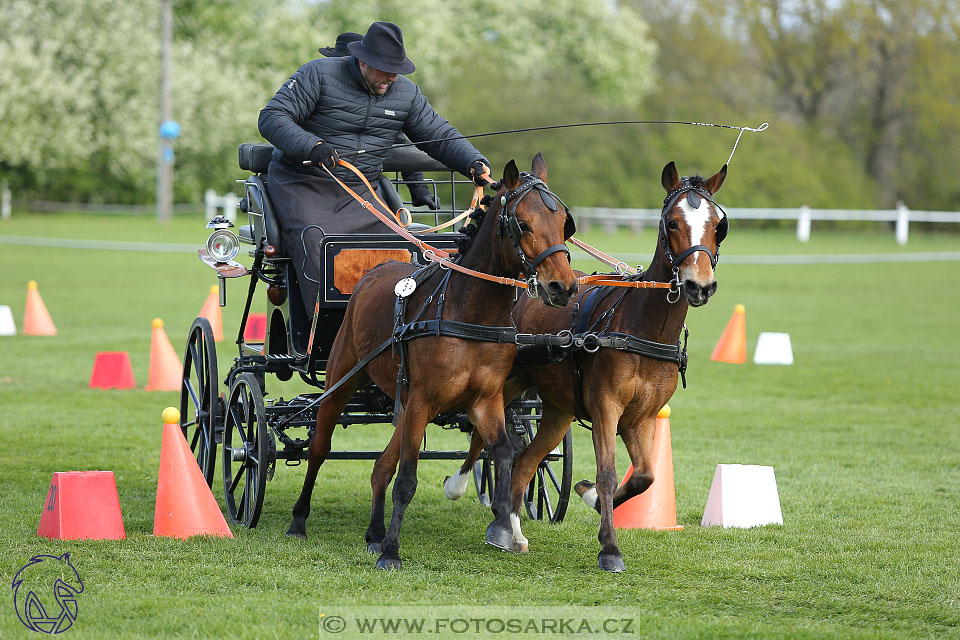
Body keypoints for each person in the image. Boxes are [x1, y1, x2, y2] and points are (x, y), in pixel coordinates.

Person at [258, 21, 490, 320]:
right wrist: (312, 146)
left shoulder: (405, 92)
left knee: (394, 254)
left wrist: (473, 162)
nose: (392, 78)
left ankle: (388, 332)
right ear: (363, 61)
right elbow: (272, 117)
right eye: (385, 69)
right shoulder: (317, 74)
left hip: (361, 190)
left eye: (397, 70)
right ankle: (327, 335)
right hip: (304, 184)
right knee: (320, 248)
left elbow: (438, 133)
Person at [318, 31, 440, 211]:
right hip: (317, 184)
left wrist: (419, 189)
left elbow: (398, 142)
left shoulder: (381, 100)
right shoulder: (319, 86)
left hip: (361, 189)